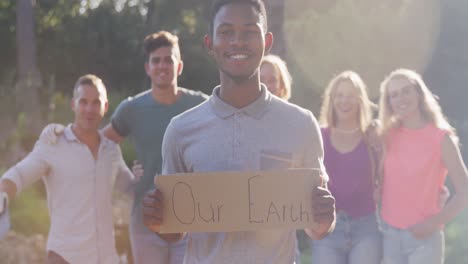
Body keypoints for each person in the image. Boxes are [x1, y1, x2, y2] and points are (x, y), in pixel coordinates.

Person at [141, 0, 336, 263]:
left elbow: (317, 228)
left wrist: (326, 218)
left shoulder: (301, 124)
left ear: (266, 42)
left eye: (249, 32)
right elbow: (175, 231)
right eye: (226, 32)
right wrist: (157, 221)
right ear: (210, 44)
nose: (238, 41)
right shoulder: (181, 130)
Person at [40, 31, 208, 264]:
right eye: (156, 60)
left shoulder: (200, 105)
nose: (162, 66)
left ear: (179, 66)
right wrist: (60, 134)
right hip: (145, 222)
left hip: (190, 219)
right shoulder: (132, 109)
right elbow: (94, 142)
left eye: (168, 59)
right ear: (148, 68)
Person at [0, 74, 138, 264]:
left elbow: (131, 188)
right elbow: (19, 174)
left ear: (105, 107)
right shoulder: (53, 143)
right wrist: (3, 195)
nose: (89, 109)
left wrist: (145, 179)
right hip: (65, 258)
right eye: (83, 102)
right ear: (74, 104)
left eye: (96, 102)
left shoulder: (111, 150)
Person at [378, 68, 468, 264]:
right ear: (389, 103)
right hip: (389, 236)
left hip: (425, 239)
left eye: (406, 91)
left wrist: (435, 223)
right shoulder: (386, 136)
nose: (400, 98)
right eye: (393, 95)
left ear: (418, 93)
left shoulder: (442, 139)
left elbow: (465, 191)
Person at [311, 71, 382, 264]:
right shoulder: (319, 136)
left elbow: (388, 174)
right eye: (339, 95)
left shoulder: (372, 136)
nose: (345, 101)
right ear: (331, 100)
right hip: (327, 228)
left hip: (366, 228)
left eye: (350, 96)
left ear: (360, 100)